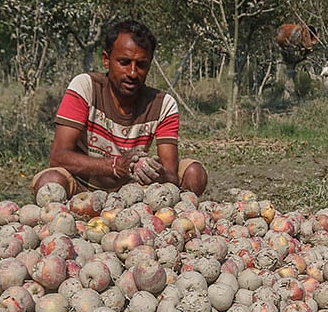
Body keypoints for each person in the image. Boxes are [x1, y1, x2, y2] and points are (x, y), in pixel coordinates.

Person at [31, 19, 208, 200]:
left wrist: (157, 174)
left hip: (134, 193)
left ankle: (181, 214)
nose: (132, 73)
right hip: (82, 188)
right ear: (106, 60)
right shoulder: (85, 87)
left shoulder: (163, 105)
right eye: (124, 62)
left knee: (194, 174)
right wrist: (116, 165)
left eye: (141, 65)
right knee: (50, 181)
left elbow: (170, 174)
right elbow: (58, 156)